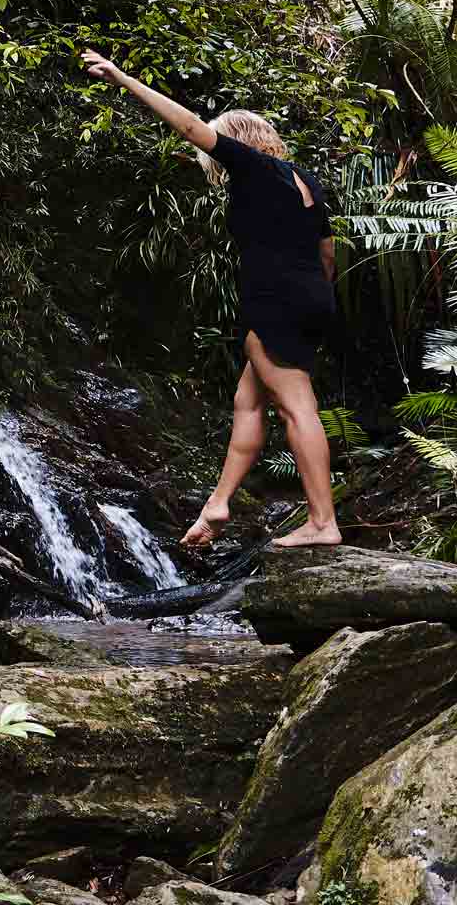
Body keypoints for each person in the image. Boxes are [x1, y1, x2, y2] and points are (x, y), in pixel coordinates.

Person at [79, 48, 342, 549]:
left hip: (277, 299)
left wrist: (123, 78)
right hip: (311, 297)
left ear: (238, 140)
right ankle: (217, 506)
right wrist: (313, 299)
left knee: (296, 408)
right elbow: (326, 251)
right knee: (249, 402)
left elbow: (188, 126)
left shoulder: (252, 167)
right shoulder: (303, 179)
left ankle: (322, 522)